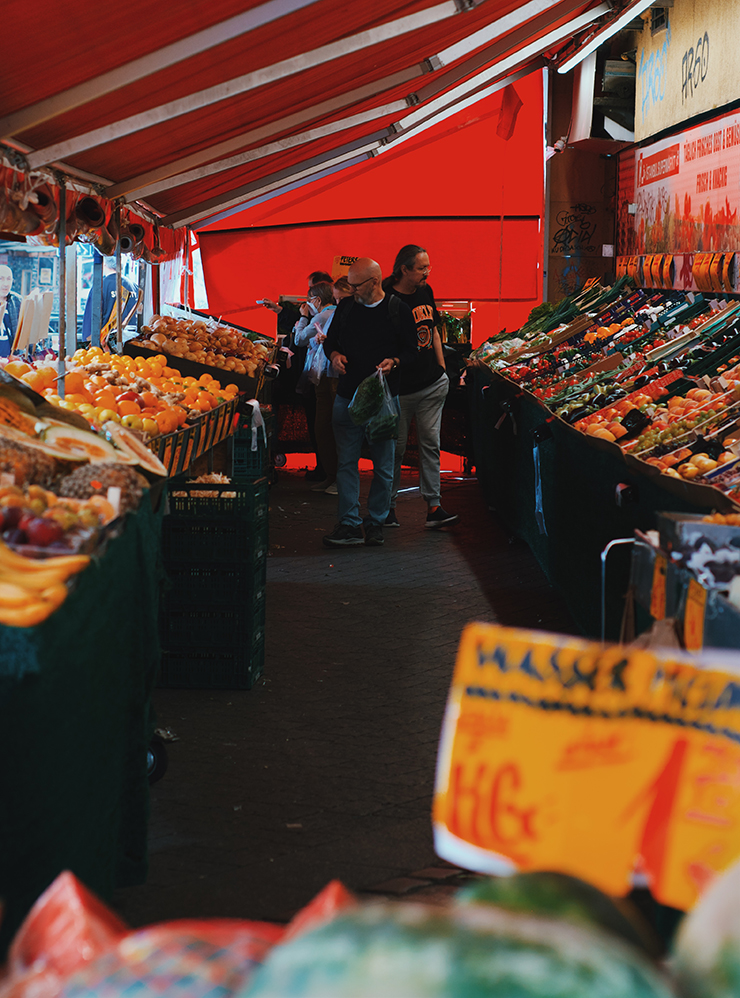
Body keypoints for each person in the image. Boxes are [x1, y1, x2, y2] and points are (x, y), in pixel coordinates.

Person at [322, 258, 418, 548]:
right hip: (347, 395)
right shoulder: (346, 308)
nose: (351, 291)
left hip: (383, 401)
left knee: (384, 465)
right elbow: (330, 342)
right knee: (347, 462)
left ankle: (376, 521)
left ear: (374, 282)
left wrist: (396, 362)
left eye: (356, 285)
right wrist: (334, 356)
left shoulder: (398, 310)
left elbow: (412, 351)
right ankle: (349, 524)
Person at [382, 244, 459, 529]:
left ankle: (434, 506)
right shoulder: (387, 298)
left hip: (431, 384)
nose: (428, 272)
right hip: (400, 389)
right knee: (396, 449)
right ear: (404, 269)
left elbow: (435, 330)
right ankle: (387, 509)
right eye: (422, 268)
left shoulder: (426, 292)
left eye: (428, 266)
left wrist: (441, 369)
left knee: (431, 445)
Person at [292, 281, 338, 493]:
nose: (308, 304)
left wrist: (303, 318)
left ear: (317, 300)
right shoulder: (336, 313)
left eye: (310, 300)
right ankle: (332, 477)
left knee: (324, 426)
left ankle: (332, 476)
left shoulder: (321, 316)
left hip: (325, 378)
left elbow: (300, 339)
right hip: (331, 377)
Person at [81, 255, 138, 344]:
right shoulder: (133, 286)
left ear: (104, 264)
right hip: (133, 342)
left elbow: (91, 317)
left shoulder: (100, 286)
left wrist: (88, 340)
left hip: (108, 344)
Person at [0, 265, 22, 358]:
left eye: (9, 279)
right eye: (1, 278)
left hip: (12, 362)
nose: (5, 283)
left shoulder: (17, 301)